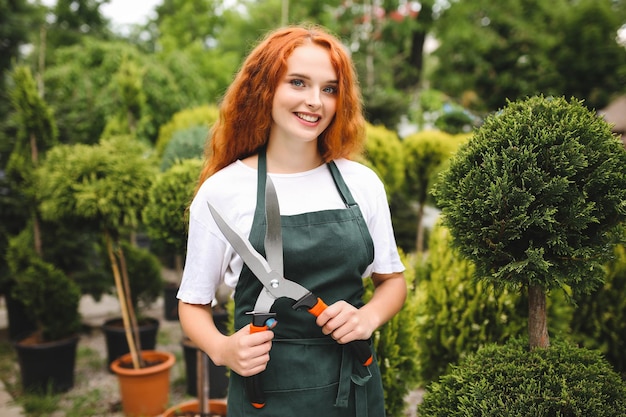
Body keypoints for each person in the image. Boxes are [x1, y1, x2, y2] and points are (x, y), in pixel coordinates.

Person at [177, 24, 407, 417]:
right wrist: (223, 349)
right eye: (298, 83)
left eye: (329, 88)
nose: (315, 101)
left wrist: (367, 317)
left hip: (353, 393)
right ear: (265, 88)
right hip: (263, 394)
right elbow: (192, 303)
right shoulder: (223, 192)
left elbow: (392, 281)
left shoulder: (362, 184)